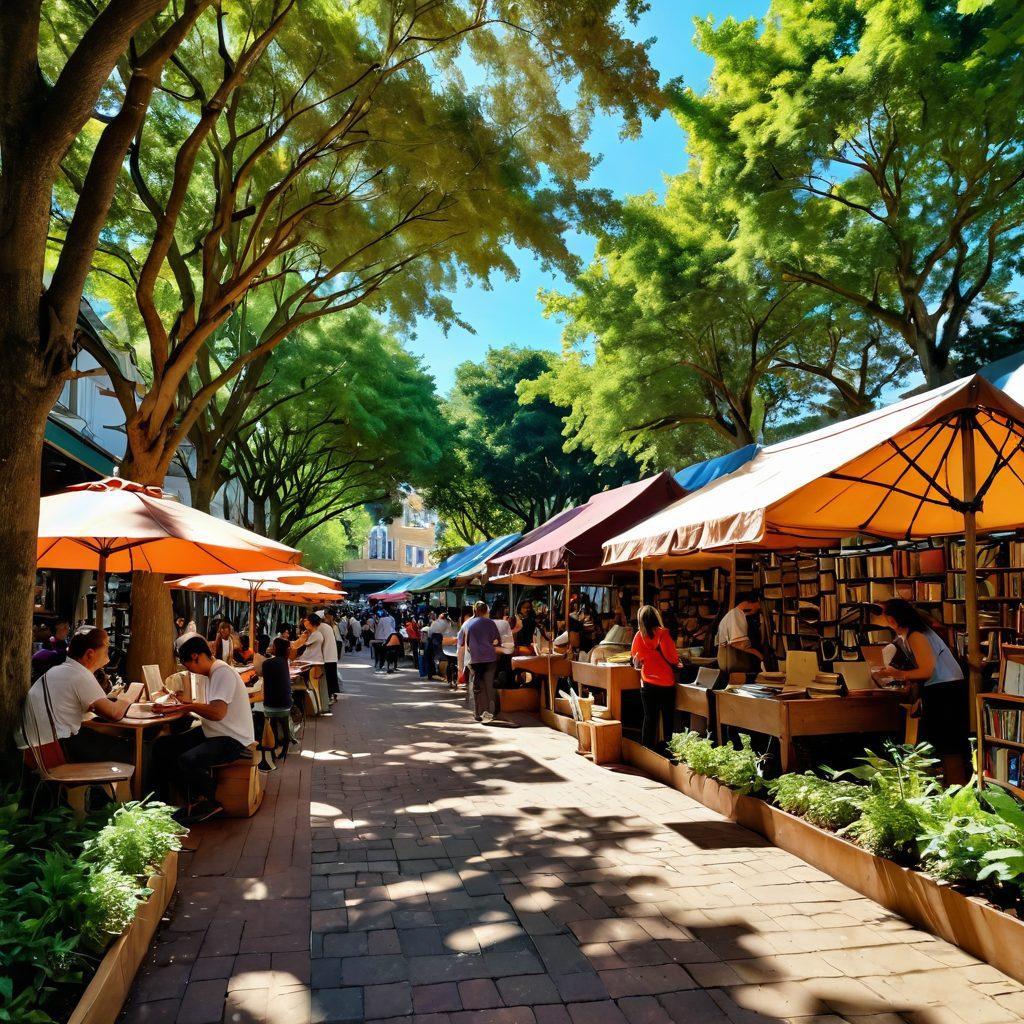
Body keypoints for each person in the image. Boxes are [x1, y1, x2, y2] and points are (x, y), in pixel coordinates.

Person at [152, 635, 255, 822]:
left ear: (196, 657)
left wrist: (186, 707)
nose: (189, 670)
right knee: (162, 746)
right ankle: (163, 802)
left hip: (233, 740)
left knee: (188, 760)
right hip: (216, 732)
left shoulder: (222, 673)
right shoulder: (213, 673)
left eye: (187, 665)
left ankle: (208, 801)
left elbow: (217, 713)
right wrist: (185, 705)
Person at [879, 599, 968, 785]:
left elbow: (926, 671)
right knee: (946, 746)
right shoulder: (919, 632)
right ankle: (953, 790)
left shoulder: (915, 635)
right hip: (944, 689)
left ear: (893, 620)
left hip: (945, 691)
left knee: (947, 746)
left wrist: (900, 674)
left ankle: (956, 790)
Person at [21, 627, 130, 762]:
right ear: (90, 653)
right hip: (57, 749)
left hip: (41, 748)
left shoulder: (60, 670)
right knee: (133, 752)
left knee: (118, 740)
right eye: (106, 646)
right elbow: (115, 714)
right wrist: (129, 696)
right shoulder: (79, 674)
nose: (109, 649)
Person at [631, 605, 681, 754]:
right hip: (666, 684)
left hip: (647, 684)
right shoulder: (663, 634)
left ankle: (647, 751)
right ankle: (667, 752)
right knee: (667, 720)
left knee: (649, 719)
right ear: (656, 617)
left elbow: (635, 657)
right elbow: (673, 658)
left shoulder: (638, 635)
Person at [458, 601, 502, 723]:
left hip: (475, 660)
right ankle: (491, 712)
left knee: (477, 686)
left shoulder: (468, 624)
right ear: (486, 611)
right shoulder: (490, 623)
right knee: (489, 685)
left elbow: (462, 643)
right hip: (489, 658)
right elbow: (497, 640)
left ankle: (478, 713)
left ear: (474, 610)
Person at [256, 637, 294, 754]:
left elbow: (259, 673)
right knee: (283, 722)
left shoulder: (267, 663)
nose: (271, 648)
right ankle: (283, 746)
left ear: (276, 648)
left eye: (273, 646)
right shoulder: (285, 661)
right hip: (286, 702)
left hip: (271, 704)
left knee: (258, 710)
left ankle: (271, 743)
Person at [716, 591, 765, 679]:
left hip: (733, 664)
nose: (759, 607)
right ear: (748, 602)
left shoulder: (738, 614)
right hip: (735, 662)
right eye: (758, 603)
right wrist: (760, 655)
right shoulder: (735, 615)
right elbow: (738, 644)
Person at [317, 612, 341, 700]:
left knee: (328, 677)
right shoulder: (327, 626)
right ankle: (333, 694)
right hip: (332, 656)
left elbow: (318, 641)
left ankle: (329, 694)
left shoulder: (320, 627)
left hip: (326, 656)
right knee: (332, 676)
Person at [425, 611, 449, 680]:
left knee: (433, 656)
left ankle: (433, 673)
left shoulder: (435, 623)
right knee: (442, 656)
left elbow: (430, 632)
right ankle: (441, 674)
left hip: (435, 640)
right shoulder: (448, 623)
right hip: (445, 640)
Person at [372, 608, 396, 673]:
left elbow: (381, 629)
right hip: (388, 638)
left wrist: (378, 637)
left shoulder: (383, 619)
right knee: (387, 653)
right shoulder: (390, 619)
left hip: (383, 639)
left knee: (382, 653)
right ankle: (387, 665)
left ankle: (381, 665)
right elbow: (391, 628)